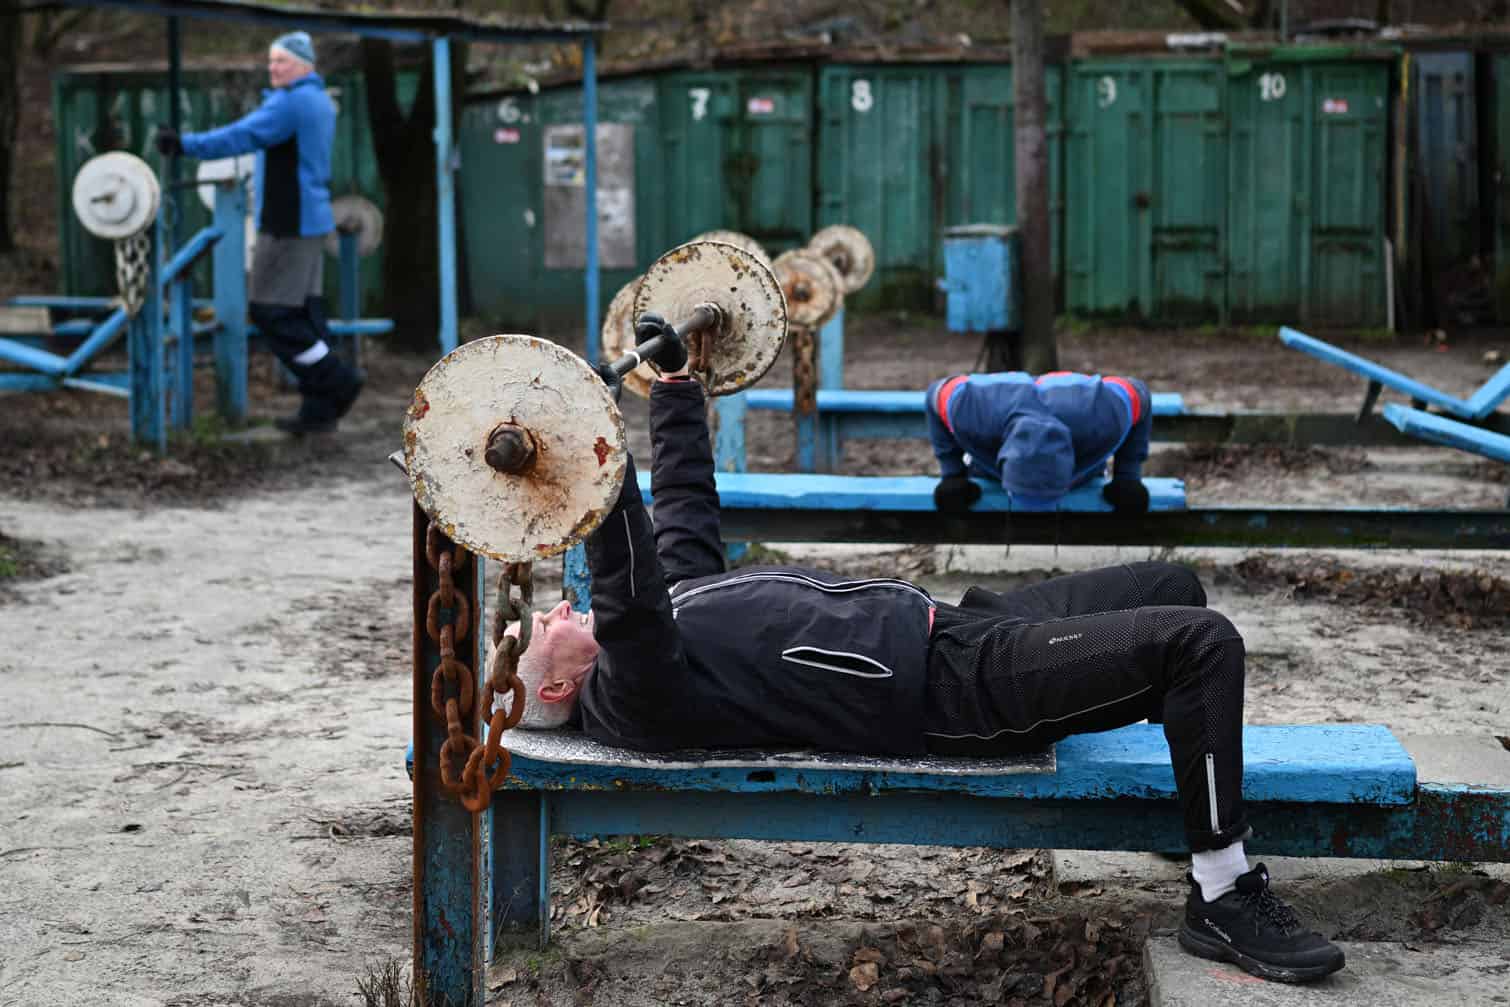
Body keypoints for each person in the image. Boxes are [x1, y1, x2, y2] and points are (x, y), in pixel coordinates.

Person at [496, 316, 1345, 985]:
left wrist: (674, 383)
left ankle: (1191, 804)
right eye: (545, 628)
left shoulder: (678, 611)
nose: (557, 606)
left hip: (960, 624)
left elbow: (682, 512)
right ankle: (1223, 890)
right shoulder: (637, 694)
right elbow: (629, 581)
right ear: (567, 680)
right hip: (953, 691)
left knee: (1175, 588)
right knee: (1203, 645)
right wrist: (590, 459)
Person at [155, 30, 363, 435]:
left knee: (272, 312)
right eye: (270, 60)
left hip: (288, 222)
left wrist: (184, 145)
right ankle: (319, 407)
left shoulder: (291, 103)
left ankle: (336, 379)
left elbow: (242, 136)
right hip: (309, 219)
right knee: (305, 314)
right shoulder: (318, 100)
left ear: (304, 65)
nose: (273, 67)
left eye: (281, 61)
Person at [924, 370, 1153, 514]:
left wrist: (1127, 477)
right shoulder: (970, 409)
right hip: (998, 400)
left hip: (1077, 404)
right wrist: (952, 474)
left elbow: (1139, 390)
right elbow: (936, 391)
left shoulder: (1104, 414)